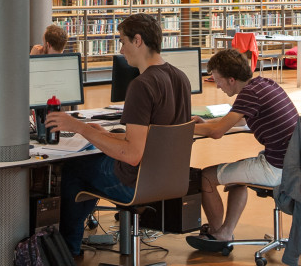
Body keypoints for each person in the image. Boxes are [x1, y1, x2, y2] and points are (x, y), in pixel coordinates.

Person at [46, 13, 191, 257]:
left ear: (137, 40)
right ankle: (73, 244)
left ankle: (68, 251)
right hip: (167, 180)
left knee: (75, 168)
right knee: (93, 159)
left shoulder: (142, 85)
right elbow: (147, 139)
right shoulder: (180, 77)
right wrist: (105, 136)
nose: (121, 49)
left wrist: (80, 127)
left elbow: (132, 154)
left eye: (122, 41)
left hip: (135, 182)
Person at [190, 48, 298, 243]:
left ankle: (217, 235)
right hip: (291, 163)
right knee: (235, 176)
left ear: (231, 79)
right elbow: (238, 121)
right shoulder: (263, 84)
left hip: (277, 168)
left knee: (206, 177)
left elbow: (217, 132)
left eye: (218, 80)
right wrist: (207, 124)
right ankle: (225, 231)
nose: (217, 86)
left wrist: (186, 128)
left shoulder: (249, 94)